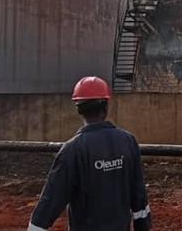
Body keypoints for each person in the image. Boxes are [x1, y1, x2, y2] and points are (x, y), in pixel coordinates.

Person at [28, 77, 152, 231]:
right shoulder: (127, 141)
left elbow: (51, 200)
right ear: (106, 106)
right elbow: (138, 194)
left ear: (79, 109)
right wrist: (143, 226)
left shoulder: (72, 150)